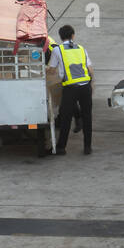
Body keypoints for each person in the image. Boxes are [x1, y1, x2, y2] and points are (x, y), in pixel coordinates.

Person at [49, 24, 93, 155]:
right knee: (87, 117)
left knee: (66, 118)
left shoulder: (58, 50)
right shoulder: (81, 48)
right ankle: (87, 147)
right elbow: (90, 69)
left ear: (61, 37)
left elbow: (51, 69)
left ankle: (61, 147)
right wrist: (92, 84)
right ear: (73, 35)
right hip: (85, 86)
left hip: (70, 88)